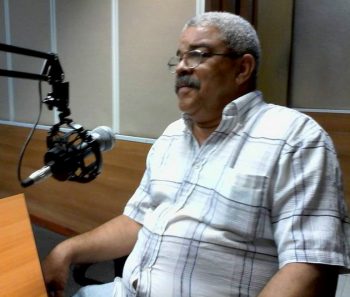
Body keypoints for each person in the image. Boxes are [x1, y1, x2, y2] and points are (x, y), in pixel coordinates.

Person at [42, 11, 350, 297]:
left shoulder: (295, 138)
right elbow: (136, 221)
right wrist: (66, 250)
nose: (181, 67)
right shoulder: (172, 136)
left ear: (242, 68)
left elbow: (311, 266)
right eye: (179, 57)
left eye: (197, 54)